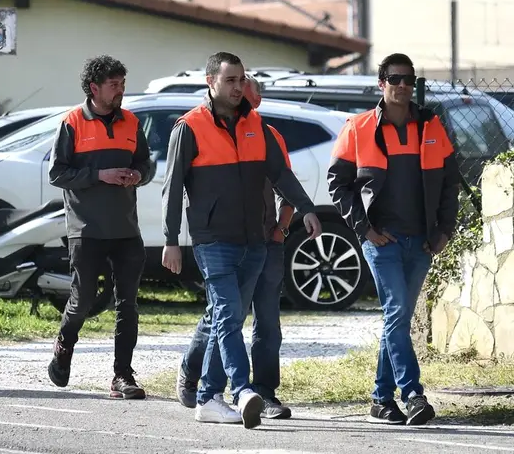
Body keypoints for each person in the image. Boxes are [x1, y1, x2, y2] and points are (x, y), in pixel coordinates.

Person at [160, 51, 319, 428]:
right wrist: (170, 239)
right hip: (213, 239)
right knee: (229, 316)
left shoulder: (257, 126)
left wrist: (306, 207)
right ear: (210, 81)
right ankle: (244, 389)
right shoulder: (190, 127)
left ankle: (207, 397)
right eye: (230, 80)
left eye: (241, 79)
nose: (238, 87)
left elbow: (280, 174)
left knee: (225, 317)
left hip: (255, 240)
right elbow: (172, 187)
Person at [327, 53, 458, 427]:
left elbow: (450, 183)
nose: (403, 86)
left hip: (421, 242)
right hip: (380, 240)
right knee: (398, 314)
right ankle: (413, 394)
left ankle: (380, 399)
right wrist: (364, 229)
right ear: (381, 84)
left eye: (409, 80)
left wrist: (444, 231)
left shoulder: (432, 126)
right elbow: (338, 185)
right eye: (396, 79)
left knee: (394, 320)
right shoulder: (358, 127)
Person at [46, 56, 154, 399]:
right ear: (94, 88)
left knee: (128, 305)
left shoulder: (132, 122)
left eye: (122, 84)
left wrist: (138, 175)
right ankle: (64, 344)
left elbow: (145, 164)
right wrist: (99, 176)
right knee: (83, 300)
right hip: (86, 229)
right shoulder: (72, 122)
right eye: (114, 85)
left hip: (126, 230)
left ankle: (122, 376)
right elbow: (57, 174)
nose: (121, 90)